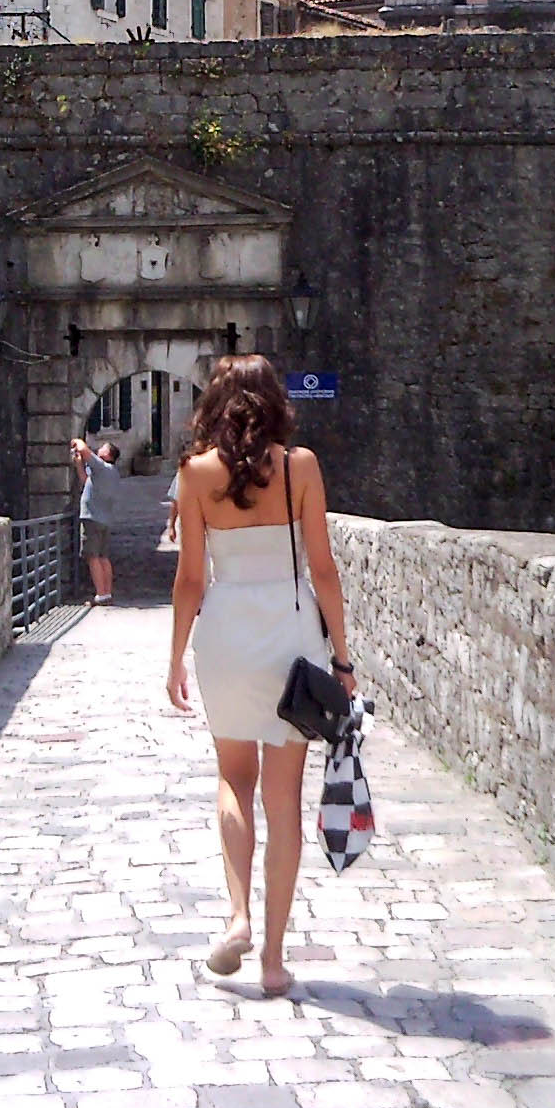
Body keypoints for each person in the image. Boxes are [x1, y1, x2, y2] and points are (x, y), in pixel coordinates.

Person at [166, 355, 354, 998]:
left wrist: (173, 660)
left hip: (225, 638)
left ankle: (238, 915)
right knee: (283, 800)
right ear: (276, 402)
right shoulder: (300, 468)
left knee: (231, 780)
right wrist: (344, 659)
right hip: (291, 640)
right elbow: (323, 569)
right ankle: (274, 961)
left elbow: (190, 579)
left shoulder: (194, 476)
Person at [70, 433, 120, 605]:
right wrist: (78, 465)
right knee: (103, 557)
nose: (99, 449)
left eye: (103, 448)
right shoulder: (111, 472)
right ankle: (107, 593)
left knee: (93, 557)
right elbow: (86, 481)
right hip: (104, 519)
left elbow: (83, 449)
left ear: (108, 455)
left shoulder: (101, 467)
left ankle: (100, 594)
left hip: (92, 518)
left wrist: (75, 441)